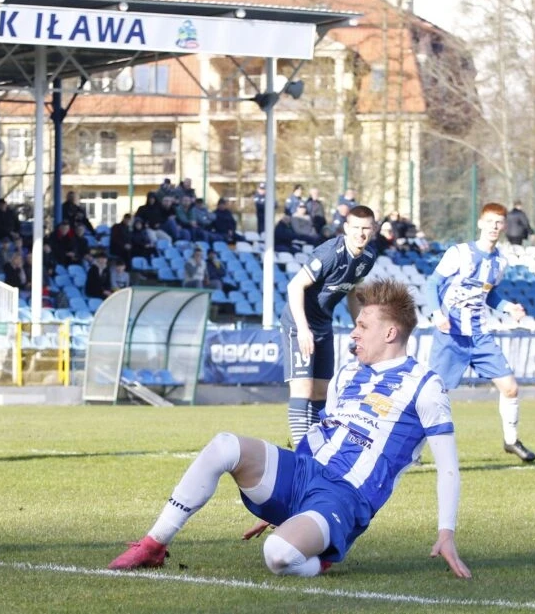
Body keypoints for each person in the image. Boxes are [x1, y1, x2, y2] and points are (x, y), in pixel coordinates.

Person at [108, 279, 470, 579]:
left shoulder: (426, 386)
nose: (354, 333)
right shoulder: (347, 374)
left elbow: (448, 467)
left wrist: (446, 533)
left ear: (390, 332)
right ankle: (153, 545)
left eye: (363, 326)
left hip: (344, 497)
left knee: (278, 554)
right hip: (303, 472)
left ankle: (318, 556)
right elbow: (325, 433)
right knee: (224, 445)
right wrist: (282, 498)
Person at [425, 202, 535, 461]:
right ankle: (414, 449)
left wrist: (509, 308)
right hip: (451, 334)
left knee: (510, 388)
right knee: (435, 394)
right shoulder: (460, 253)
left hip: (480, 335)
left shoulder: (500, 261)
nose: (494, 227)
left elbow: (490, 295)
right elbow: (432, 283)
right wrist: (437, 314)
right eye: (490, 222)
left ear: (504, 226)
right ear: (480, 224)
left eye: (499, 222)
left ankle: (511, 441)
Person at [281, 205, 378, 445]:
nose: (360, 233)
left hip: (324, 324)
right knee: (303, 388)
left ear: (373, 229)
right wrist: (303, 329)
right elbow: (295, 286)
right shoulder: (330, 253)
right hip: (300, 323)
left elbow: (353, 292)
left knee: (322, 391)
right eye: (356, 227)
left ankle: (314, 447)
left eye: (366, 228)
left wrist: (360, 329)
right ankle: (302, 452)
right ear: (346, 228)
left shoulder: (367, 258)